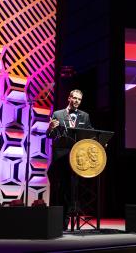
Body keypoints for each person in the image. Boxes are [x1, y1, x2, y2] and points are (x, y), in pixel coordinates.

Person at [46, 89, 93, 230]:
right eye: (75, 98)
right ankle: (55, 222)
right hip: (60, 157)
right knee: (59, 190)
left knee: (71, 190)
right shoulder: (58, 114)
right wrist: (50, 128)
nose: (77, 101)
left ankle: (65, 223)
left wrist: (99, 141)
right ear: (69, 98)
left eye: (80, 99)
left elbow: (91, 133)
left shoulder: (85, 116)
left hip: (77, 158)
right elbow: (50, 135)